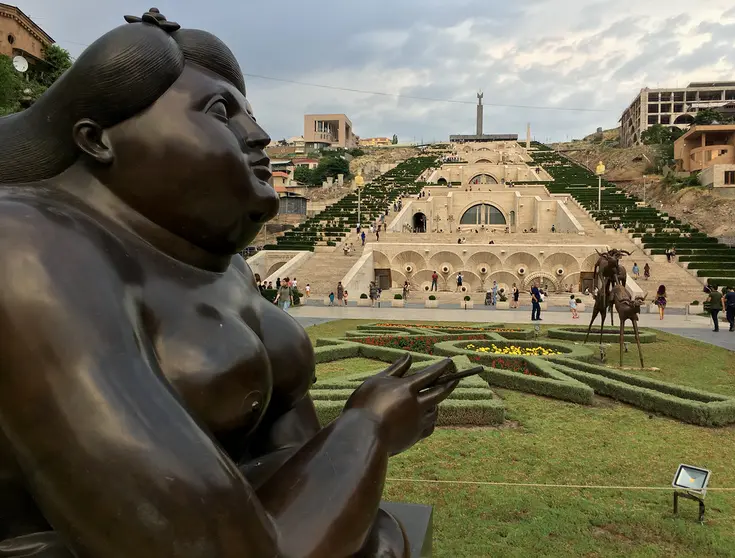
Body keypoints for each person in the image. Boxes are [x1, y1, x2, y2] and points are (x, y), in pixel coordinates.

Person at [0, 10, 461, 556]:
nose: (259, 134)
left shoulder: (226, 268)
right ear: (97, 139)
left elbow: (295, 471)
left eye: (250, 112)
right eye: (220, 111)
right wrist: (369, 429)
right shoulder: (30, 249)